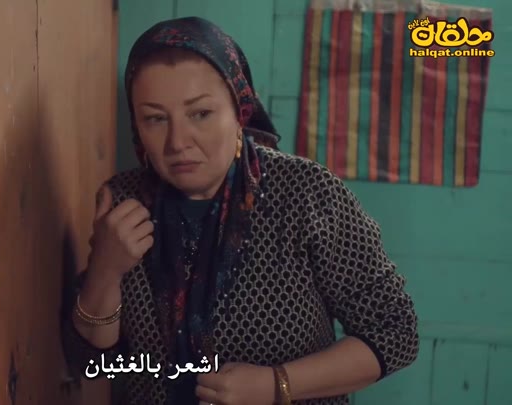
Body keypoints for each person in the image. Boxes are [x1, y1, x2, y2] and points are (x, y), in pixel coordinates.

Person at [61, 16, 419, 405]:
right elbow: (92, 360)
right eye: (155, 119)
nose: (177, 142)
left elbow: (394, 332)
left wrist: (277, 384)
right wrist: (105, 270)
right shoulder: (125, 203)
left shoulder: (306, 194)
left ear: (239, 110)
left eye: (200, 113)